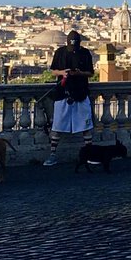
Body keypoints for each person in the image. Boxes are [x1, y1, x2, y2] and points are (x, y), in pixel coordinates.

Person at [44, 30, 96, 166]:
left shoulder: (85, 53)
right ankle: (53, 154)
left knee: (86, 125)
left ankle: (90, 154)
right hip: (63, 93)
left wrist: (79, 73)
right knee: (57, 125)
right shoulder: (60, 52)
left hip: (80, 93)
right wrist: (62, 73)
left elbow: (90, 73)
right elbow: (53, 71)